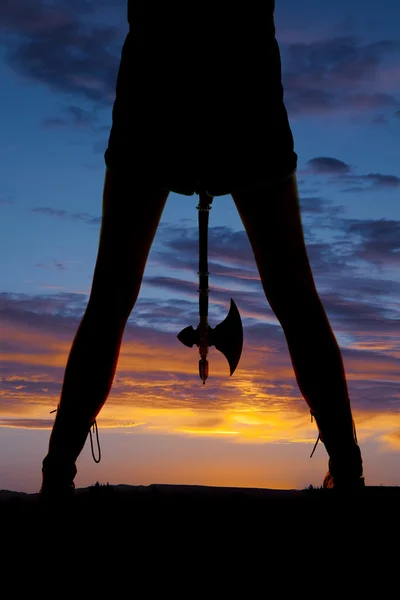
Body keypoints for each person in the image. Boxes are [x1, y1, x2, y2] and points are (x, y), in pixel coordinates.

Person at [40, 0, 364, 498]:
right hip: (243, 79)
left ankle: (56, 475)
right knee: (294, 295)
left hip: (155, 79)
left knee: (111, 296)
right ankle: (349, 472)